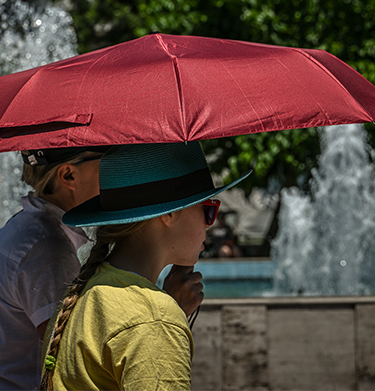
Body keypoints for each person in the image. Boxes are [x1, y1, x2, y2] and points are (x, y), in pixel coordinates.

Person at [0, 146, 205, 390]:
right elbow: (76, 351)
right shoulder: (48, 247)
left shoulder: (30, 232)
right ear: (68, 176)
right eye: (107, 162)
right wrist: (167, 312)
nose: (116, 172)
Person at [40, 142, 251, 391]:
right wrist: (164, 319)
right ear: (169, 213)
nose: (210, 225)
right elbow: (142, 329)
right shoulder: (151, 320)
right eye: (208, 209)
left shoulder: (88, 290)